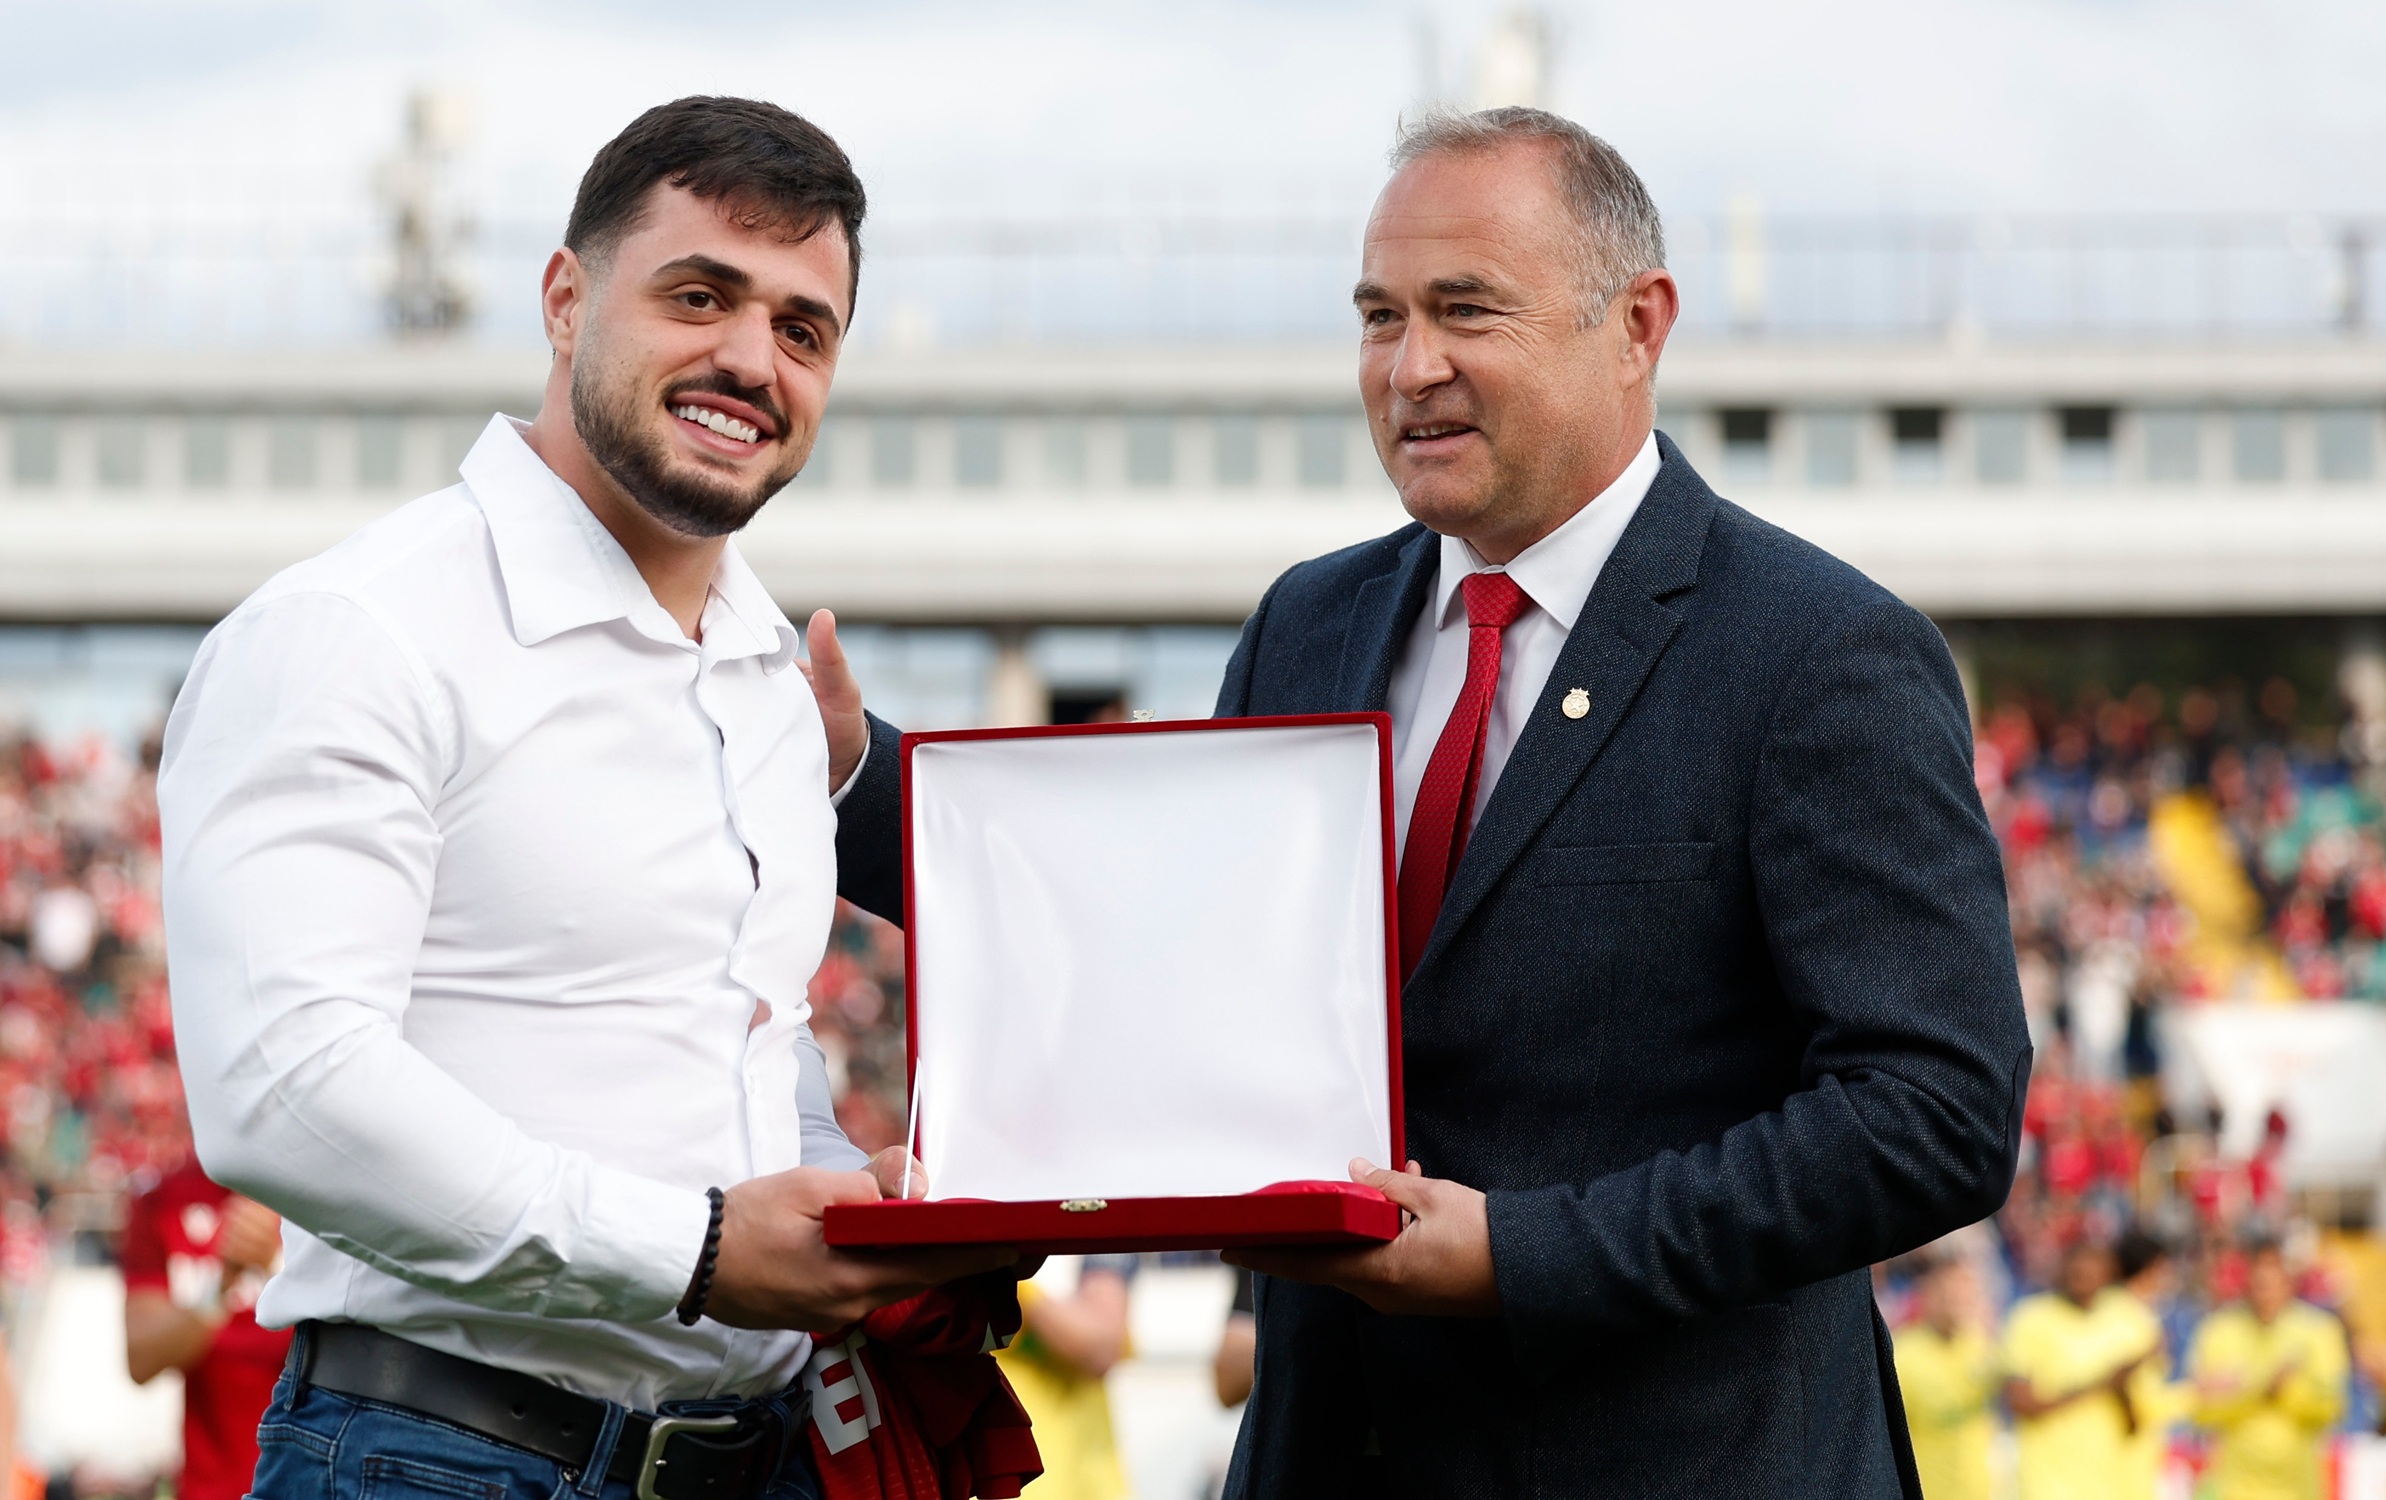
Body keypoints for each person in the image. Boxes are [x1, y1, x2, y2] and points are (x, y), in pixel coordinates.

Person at [821, 105, 2030, 1494]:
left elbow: (1934, 1111)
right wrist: (847, 777)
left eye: (1465, 310)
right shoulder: (1309, 623)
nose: (1410, 367)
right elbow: (1151, 946)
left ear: (1637, 326)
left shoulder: (1817, 652)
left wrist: (1523, 1256)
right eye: (1378, 317)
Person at [160, 96, 1011, 1500]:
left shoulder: (767, 676)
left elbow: (742, 1048)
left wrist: (845, 1201)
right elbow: (285, 1092)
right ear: (565, 300)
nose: (753, 360)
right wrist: (699, 1250)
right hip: (435, 1459)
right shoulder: (355, 629)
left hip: (757, 1459)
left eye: (804, 329)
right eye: (700, 296)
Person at [121, 1161, 294, 1500]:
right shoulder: (163, 1198)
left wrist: (276, 1268)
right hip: (208, 1486)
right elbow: (140, 1360)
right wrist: (221, 1287)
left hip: (311, 1479)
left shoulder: (320, 1190)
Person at [2190, 1239, 2349, 1500]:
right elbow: (2201, 1409)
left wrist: (2288, 1392)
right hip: (2233, 1487)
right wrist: (2261, 1390)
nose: (2265, 1291)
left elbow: (2332, 1406)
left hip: (2298, 1487)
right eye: (2259, 1282)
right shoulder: (2218, 1330)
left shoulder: (2319, 1330)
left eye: (2272, 1281)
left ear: (2288, 1281)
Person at [1999, 1240, 2156, 1500]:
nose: (2083, 1280)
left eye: (2092, 1273)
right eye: (2077, 1273)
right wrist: (2101, 1384)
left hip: (2106, 1482)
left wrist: (2122, 1387)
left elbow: (2136, 1425)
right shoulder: (2030, 1319)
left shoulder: (2127, 1322)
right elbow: (2020, 1401)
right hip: (2047, 1483)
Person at [994, 1256, 1135, 1500]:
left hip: (1078, 1484)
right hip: (996, 1479)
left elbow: (1099, 1348)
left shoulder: (1093, 1244)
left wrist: (1009, 1284)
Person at [1892, 1256, 1996, 1500]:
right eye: (1950, 1294)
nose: (1958, 1302)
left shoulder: (1979, 1344)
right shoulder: (1904, 1354)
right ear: (1929, 1296)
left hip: (1980, 1491)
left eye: (1965, 1294)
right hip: (1928, 1491)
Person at [2114, 1228, 2190, 1499]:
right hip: (2125, 1463)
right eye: (2165, 1269)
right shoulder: (2126, 1323)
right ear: (2150, 1269)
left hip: (2141, 1460)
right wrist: (2198, 1394)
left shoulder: (2139, 1317)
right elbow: (2141, 1403)